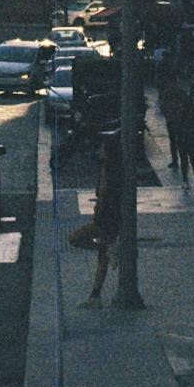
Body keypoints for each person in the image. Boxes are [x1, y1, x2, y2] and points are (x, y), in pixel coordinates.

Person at [79, 130, 123, 308]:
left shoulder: (108, 170)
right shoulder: (113, 168)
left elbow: (104, 194)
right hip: (111, 216)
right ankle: (95, 296)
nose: (98, 150)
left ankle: (111, 250)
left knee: (75, 238)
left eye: (101, 148)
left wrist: (98, 212)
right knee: (102, 258)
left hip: (105, 217)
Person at [158, 69, 189, 169]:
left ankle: (175, 160)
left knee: (173, 141)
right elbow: (187, 102)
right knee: (181, 140)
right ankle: (184, 159)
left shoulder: (166, 92)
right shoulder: (180, 92)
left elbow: (162, 106)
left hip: (171, 119)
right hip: (179, 119)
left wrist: (167, 113)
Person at [172, 86, 194, 190]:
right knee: (193, 160)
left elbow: (175, 126)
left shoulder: (179, 113)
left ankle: (185, 181)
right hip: (191, 137)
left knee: (184, 160)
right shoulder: (193, 113)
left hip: (182, 138)